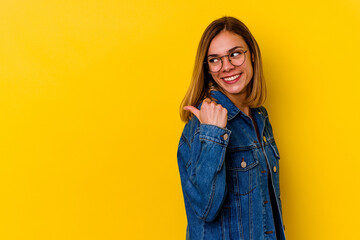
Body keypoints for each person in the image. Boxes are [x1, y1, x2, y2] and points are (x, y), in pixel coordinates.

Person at [177, 16, 286, 240]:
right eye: (215, 60)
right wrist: (213, 135)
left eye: (235, 53)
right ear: (207, 68)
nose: (226, 66)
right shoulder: (203, 126)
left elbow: (265, 209)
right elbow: (205, 208)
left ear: (252, 55)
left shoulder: (259, 118)